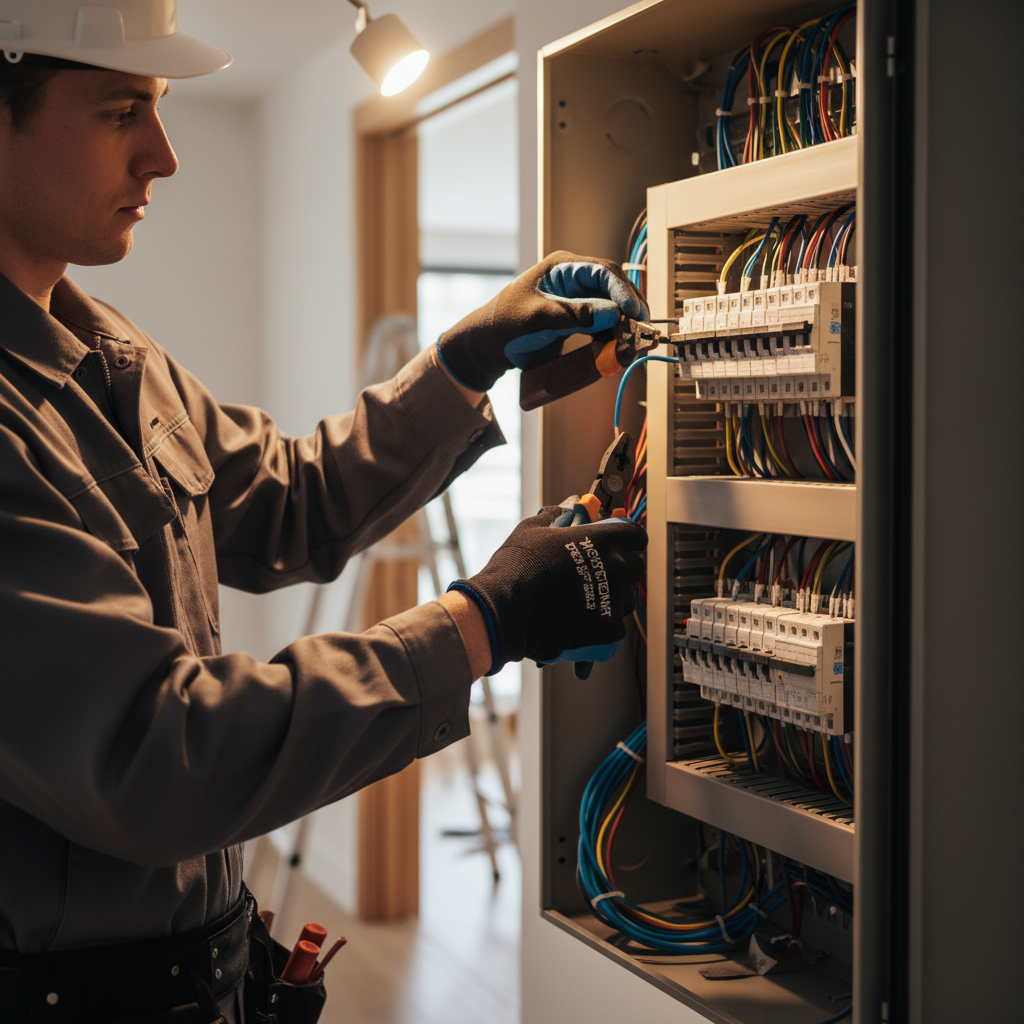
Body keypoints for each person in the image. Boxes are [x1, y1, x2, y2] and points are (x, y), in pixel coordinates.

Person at [0, 3, 647, 1022]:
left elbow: (285, 500)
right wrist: (484, 621)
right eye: (124, 109)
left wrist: (461, 361)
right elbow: (161, 755)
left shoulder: (107, 349)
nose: (163, 155)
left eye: (162, 109)